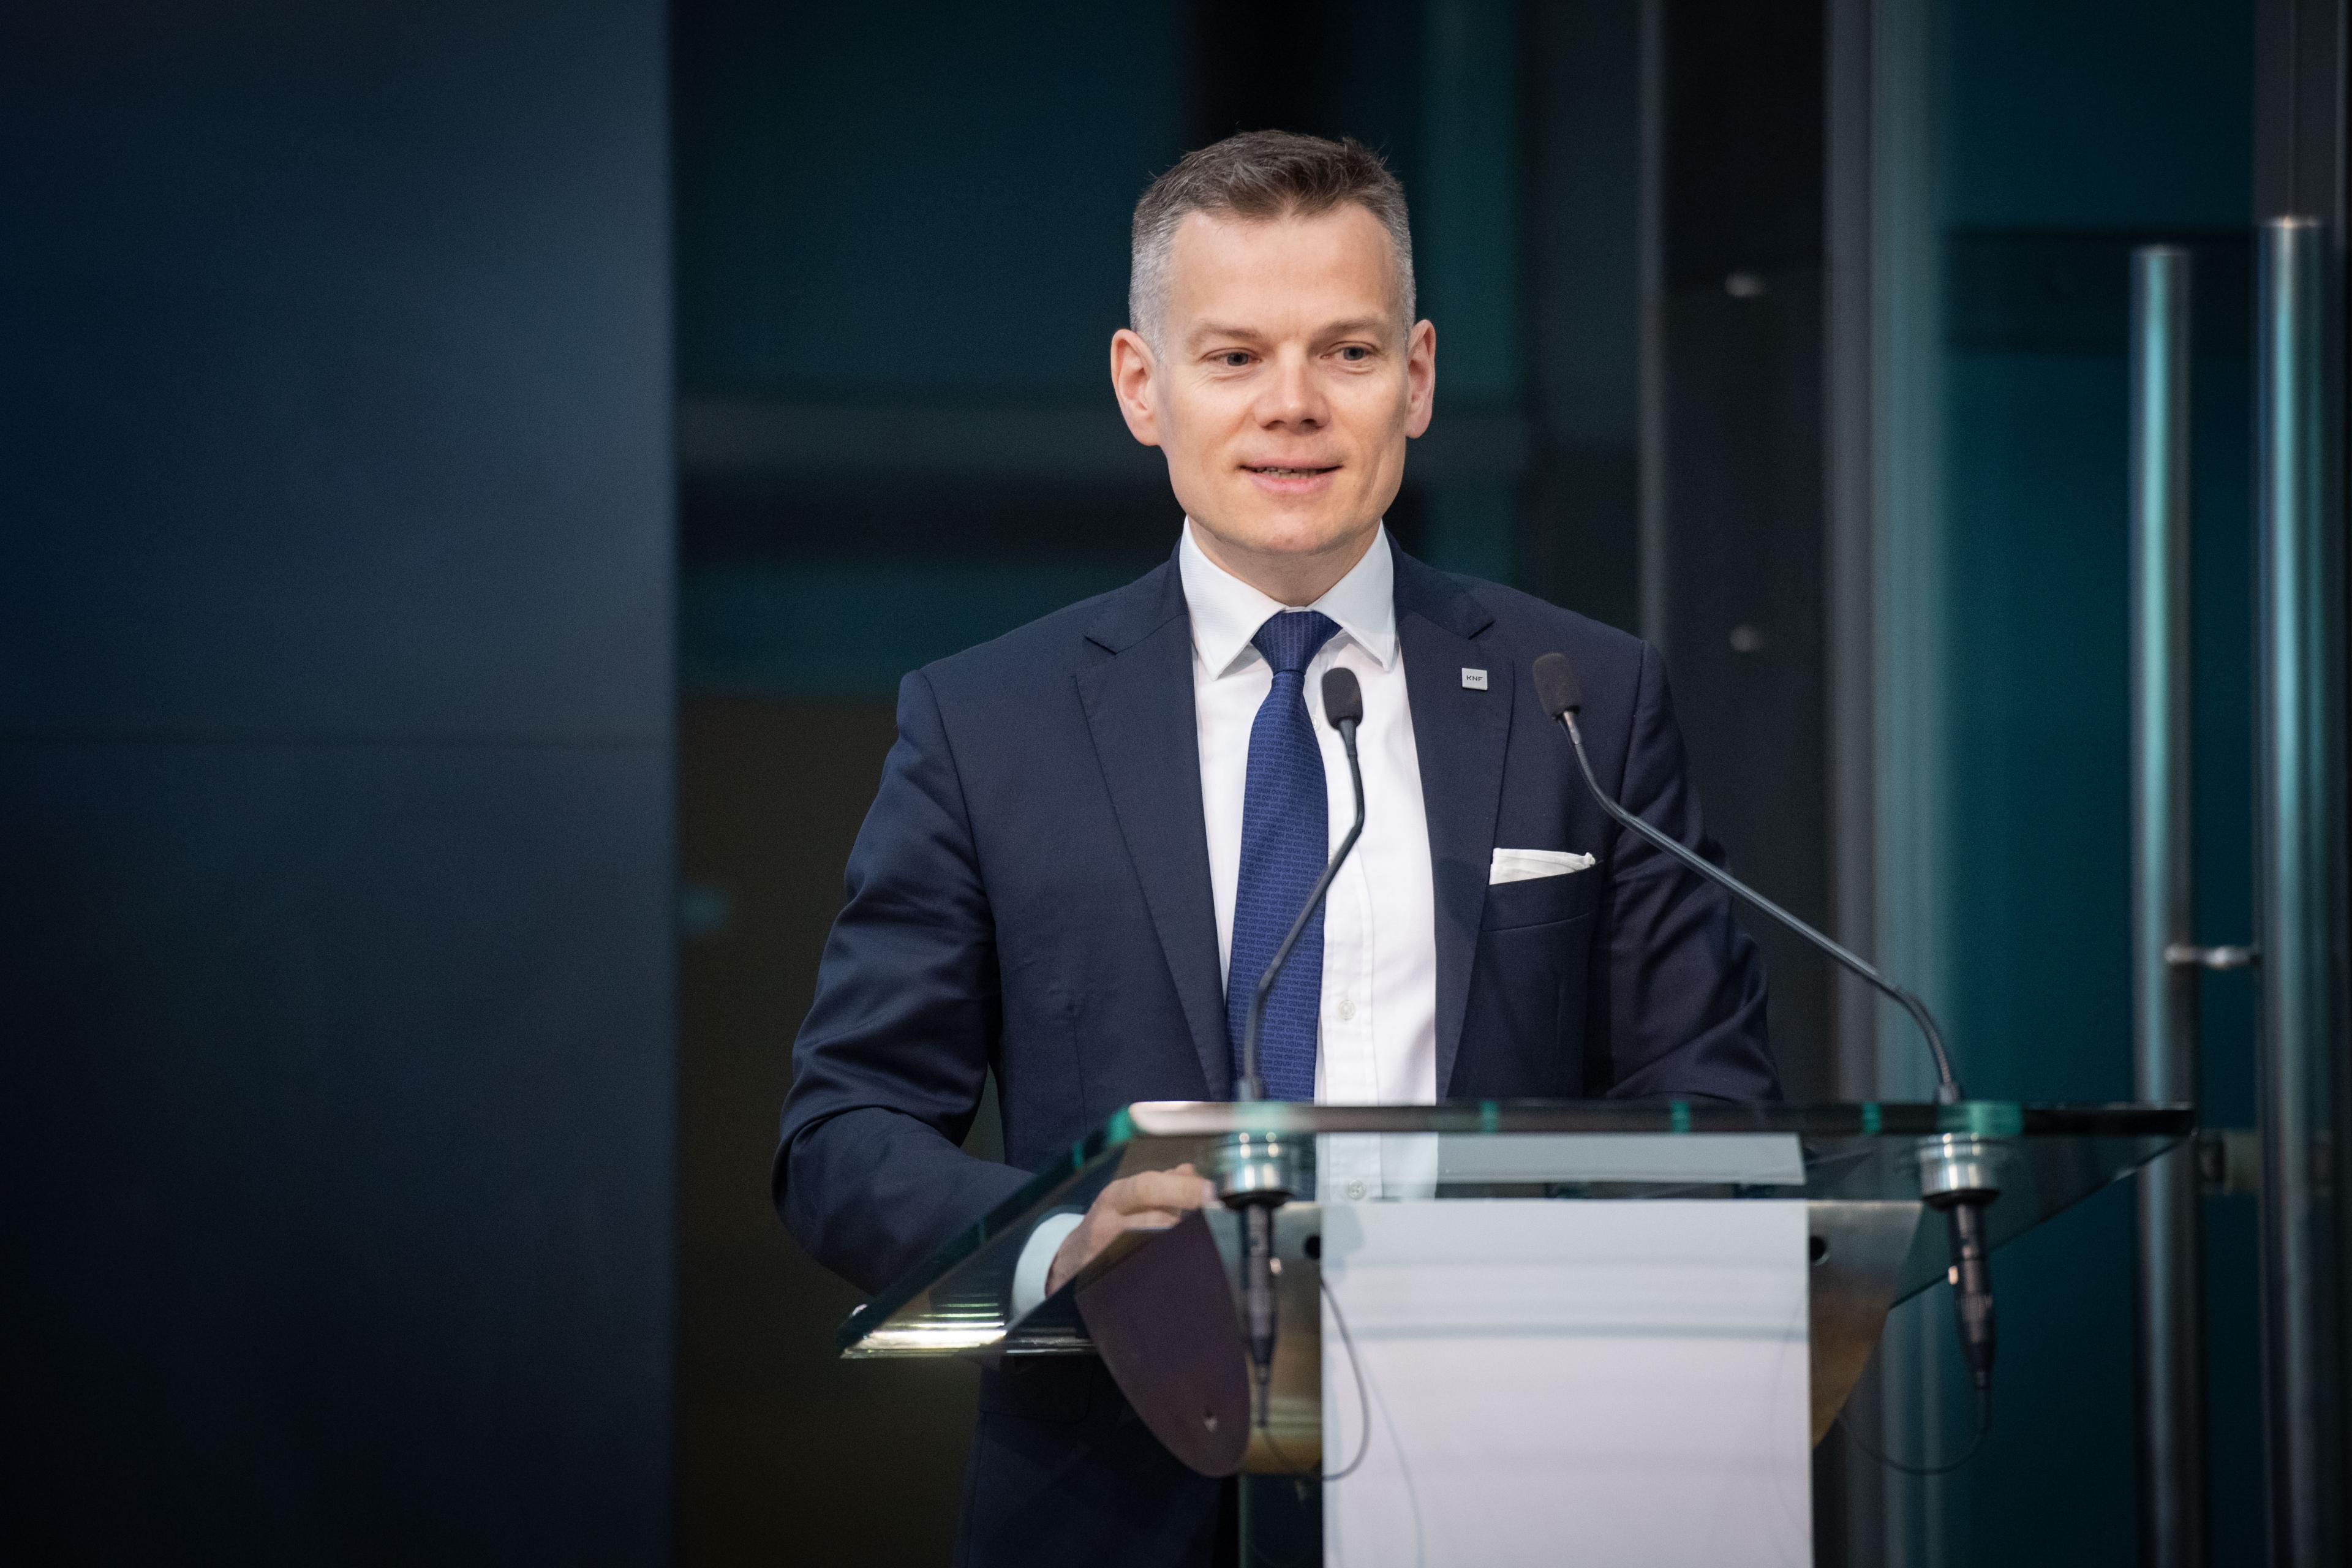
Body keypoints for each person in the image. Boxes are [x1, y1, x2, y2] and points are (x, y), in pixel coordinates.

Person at [774, 130, 1779, 1568]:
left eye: (1348, 353)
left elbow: (1717, 1108)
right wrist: (1071, 1244)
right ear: (1144, 385)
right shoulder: (985, 721)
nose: (1292, 408)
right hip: (1115, 1490)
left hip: (1522, 1475)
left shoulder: (1587, 697)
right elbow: (843, 1133)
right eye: (1235, 357)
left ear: (1418, 377)